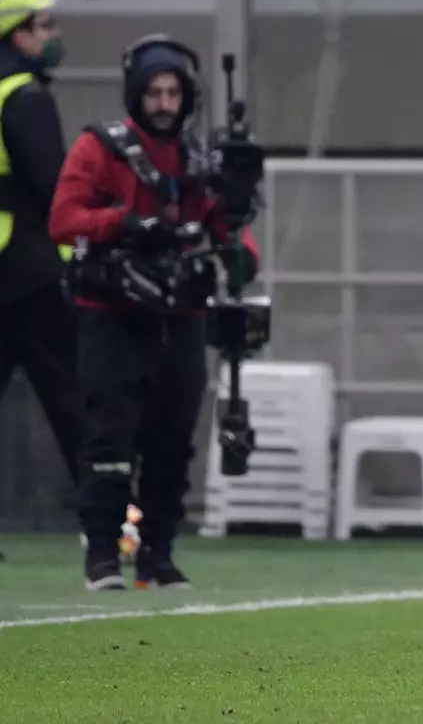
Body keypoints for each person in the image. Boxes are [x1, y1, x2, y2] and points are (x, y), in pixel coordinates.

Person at [50, 34, 259, 591]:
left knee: (171, 443)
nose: (164, 103)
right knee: (109, 440)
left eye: (173, 92)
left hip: (181, 319)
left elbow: (233, 242)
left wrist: (236, 218)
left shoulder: (198, 161)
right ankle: (101, 554)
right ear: (135, 94)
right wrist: (124, 224)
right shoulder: (99, 149)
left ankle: (158, 555)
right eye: (154, 92)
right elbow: (64, 219)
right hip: (113, 316)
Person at [0, 0, 86, 561]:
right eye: (45, 26)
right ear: (20, 34)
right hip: (28, 269)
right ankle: (108, 524)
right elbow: (55, 186)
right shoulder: (25, 97)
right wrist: (76, 257)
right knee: (70, 394)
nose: (53, 37)